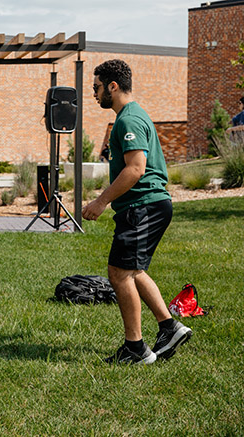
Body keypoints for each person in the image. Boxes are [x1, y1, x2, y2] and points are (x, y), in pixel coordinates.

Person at [82, 59, 191, 365]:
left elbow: (136, 169)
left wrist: (101, 201)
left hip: (143, 205)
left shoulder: (128, 120)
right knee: (133, 270)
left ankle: (135, 348)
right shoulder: (133, 115)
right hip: (147, 206)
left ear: (112, 87)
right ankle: (170, 327)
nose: (94, 94)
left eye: (97, 87)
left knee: (119, 273)